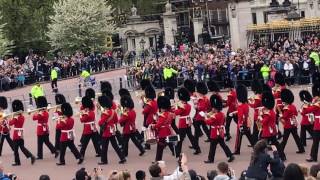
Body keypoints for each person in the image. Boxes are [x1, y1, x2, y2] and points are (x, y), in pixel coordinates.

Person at [204, 94, 234, 163]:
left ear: (215, 108)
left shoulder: (215, 116)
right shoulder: (221, 114)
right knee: (223, 145)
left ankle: (210, 159)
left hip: (215, 132)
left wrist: (205, 117)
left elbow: (208, 122)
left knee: (212, 147)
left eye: (213, 108)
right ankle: (230, 155)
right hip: (220, 131)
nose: (212, 109)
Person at [98, 95, 126, 165]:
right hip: (112, 130)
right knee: (115, 146)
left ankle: (104, 160)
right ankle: (122, 158)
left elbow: (100, 122)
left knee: (104, 147)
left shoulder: (105, 113)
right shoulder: (113, 111)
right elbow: (116, 121)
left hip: (107, 131)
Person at [259, 92, 287, 161]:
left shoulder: (268, 113)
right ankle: (282, 156)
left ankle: (262, 158)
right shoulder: (271, 111)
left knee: (262, 145)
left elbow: (263, 122)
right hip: (272, 130)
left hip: (267, 131)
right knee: (276, 144)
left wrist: (260, 116)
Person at [174, 87, 201, 156]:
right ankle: (197, 148)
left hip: (183, 123)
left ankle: (177, 152)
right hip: (187, 122)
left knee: (180, 138)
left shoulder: (184, 106)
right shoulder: (187, 105)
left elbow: (177, 112)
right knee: (190, 136)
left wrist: (175, 107)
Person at [9, 100, 36, 166]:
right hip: (21, 133)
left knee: (15, 150)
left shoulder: (16, 118)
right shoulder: (22, 117)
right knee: (22, 148)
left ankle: (17, 162)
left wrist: (12, 116)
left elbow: (10, 123)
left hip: (16, 134)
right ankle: (31, 156)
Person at [279, 89, 305, 154]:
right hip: (293, 123)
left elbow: (284, 117)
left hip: (288, 125)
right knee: (296, 137)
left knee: (285, 139)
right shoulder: (293, 106)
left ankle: (280, 150)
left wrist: (280, 115)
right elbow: (296, 114)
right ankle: (301, 149)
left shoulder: (286, 108)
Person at [151, 96, 176, 161]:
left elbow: (159, 124)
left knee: (159, 147)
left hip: (162, 132)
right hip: (168, 130)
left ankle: (157, 160)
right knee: (169, 142)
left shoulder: (162, 115)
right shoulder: (169, 114)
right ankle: (176, 152)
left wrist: (153, 126)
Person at [233, 84, 254, 155]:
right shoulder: (245, 104)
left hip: (242, 123)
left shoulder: (240, 106)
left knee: (238, 138)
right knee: (249, 136)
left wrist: (240, 125)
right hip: (247, 122)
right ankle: (256, 148)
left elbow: (241, 116)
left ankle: (237, 150)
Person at [306, 84, 320, 162]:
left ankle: (313, 157)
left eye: (315, 96)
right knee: (315, 141)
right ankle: (313, 156)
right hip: (317, 124)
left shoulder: (317, 104)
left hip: (318, 125)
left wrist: (309, 104)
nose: (314, 97)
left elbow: (309, 110)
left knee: (315, 142)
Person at [142, 85, 158, 150]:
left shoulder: (149, 103)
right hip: (155, 117)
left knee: (147, 131)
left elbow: (144, 111)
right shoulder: (155, 102)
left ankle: (147, 146)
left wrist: (145, 104)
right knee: (157, 131)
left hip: (149, 119)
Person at [248, 79, 263, 144]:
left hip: (258, 114)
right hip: (260, 113)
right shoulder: (260, 95)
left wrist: (248, 102)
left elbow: (254, 105)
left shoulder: (257, 96)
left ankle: (256, 142)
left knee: (257, 129)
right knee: (258, 129)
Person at [273, 72, 286, 140]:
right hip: (282, 106)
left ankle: (279, 133)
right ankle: (283, 132)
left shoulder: (279, 89)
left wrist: (273, 90)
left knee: (276, 121)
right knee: (282, 119)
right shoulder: (284, 87)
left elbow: (275, 96)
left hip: (279, 107)